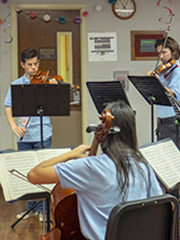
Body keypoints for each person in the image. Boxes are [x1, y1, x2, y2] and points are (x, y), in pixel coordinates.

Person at [27, 101, 163, 240]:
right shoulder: (144, 166)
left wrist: (71, 154)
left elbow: (34, 175)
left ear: (105, 131)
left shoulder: (90, 168)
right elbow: (158, 206)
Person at [4, 48, 57, 221]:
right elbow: (8, 106)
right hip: (24, 134)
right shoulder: (17, 84)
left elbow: (57, 101)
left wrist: (55, 89)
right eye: (29, 65)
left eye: (36, 64)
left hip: (43, 133)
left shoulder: (46, 82)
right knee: (27, 172)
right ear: (22, 65)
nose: (33, 68)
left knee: (43, 172)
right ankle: (31, 208)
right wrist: (13, 125)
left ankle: (43, 209)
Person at [151, 36, 180, 218]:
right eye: (159, 52)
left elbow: (172, 93)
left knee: (178, 164)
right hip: (162, 123)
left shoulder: (178, 71)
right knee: (165, 164)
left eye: (164, 52)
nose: (161, 56)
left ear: (173, 52)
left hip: (173, 122)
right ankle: (170, 200)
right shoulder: (165, 72)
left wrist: (156, 83)